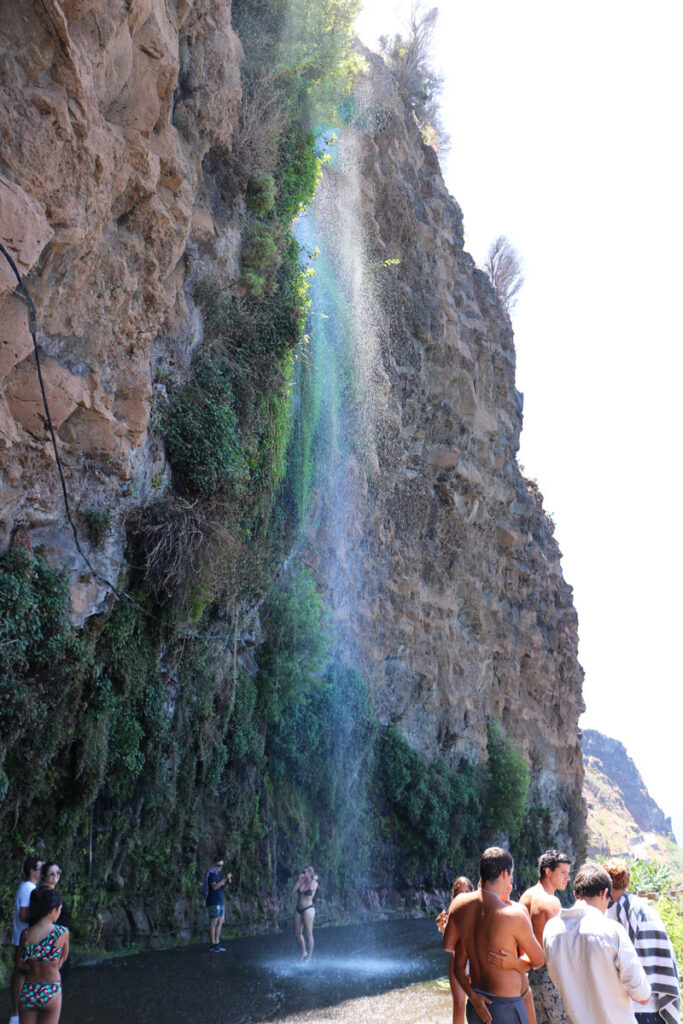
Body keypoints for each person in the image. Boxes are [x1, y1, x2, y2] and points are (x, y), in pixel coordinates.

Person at [443, 847, 544, 1024]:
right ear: (505, 872)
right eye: (511, 873)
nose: (511, 878)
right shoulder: (514, 914)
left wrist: (473, 996)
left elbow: (449, 948)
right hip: (504, 1007)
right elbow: (539, 960)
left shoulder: (459, 904)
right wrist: (515, 963)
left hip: (476, 1004)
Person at [543, 862, 651, 1024]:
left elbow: (557, 979)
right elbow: (642, 995)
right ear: (604, 893)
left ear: (575, 894)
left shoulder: (551, 930)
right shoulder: (612, 931)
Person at [604, 858, 680, 1024]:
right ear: (628, 882)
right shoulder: (648, 912)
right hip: (653, 1007)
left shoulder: (601, 914)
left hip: (619, 1009)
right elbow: (666, 957)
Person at [519, 850, 572, 1024]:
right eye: (563, 873)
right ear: (548, 872)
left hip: (532, 974)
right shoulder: (552, 902)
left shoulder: (526, 897)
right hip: (552, 975)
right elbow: (562, 946)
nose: (568, 878)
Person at [17, 884, 69, 1024]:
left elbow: (20, 964)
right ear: (53, 910)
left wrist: (31, 965)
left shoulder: (26, 934)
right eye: (59, 909)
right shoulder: (62, 933)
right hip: (50, 989)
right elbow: (62, 958)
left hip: (29, 989)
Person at [10, 856, 44, 1024]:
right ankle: (16, 1014)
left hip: (25, 937)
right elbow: (24, 915)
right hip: (23, 938)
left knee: (22, 974)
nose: (42, 871)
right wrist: (43, 913)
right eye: (40, 868)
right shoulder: (27, 888)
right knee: (21, 974)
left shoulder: (30, 887)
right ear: (32, 871)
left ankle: (19, 1013)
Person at [437, 877, 475, 1024]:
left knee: (475, 1001)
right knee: (458, 1004)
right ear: (454, 896)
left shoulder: (476, 911)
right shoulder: (452, 913)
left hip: (473, 962)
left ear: (472, 893)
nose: (463, 896)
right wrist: (442, 928)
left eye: (466, 892)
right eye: (459, 893)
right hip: (456, 961)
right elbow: (450, 944)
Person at [39, 864, 70, 986]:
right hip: (51, 945)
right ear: (43, 875)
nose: (56, 875)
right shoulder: (43, 896)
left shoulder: (46, 894)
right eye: (52, 873)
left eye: (58, 872)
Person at [203, 855, 231, 952]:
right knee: (214, 922)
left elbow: (222, 888)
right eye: (219, 865)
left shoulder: (218, 874)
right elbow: (214, 887)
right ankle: (212, 944)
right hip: (213, 901)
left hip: (220, 900)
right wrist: (224, 879)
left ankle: (217, 943)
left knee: (220, 921)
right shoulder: (211, 874)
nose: (221, 867)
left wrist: (227, 882)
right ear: (214, 864)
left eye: (222, 866)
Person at [291, 866, 318, 961]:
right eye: (303, 871)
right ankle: (303, 952)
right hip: (299, 909)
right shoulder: (301, 881)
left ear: (310, 872)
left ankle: (309, 957)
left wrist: (312, 878)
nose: (303, 873)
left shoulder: (314, 882)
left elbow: (312, 888)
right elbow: (292, 891)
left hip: (308, 909)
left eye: (305, 871)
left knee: (308, 933)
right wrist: (299, 880)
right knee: (297, 933)